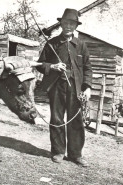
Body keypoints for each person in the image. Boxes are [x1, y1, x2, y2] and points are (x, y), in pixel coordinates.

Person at [36, 8, 92, 167]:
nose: (68, 26)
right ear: (61, 24)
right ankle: (58, 152)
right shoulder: (51, 43)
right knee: (57, 119)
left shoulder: (81, 45)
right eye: (66, 22)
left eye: (72, 23)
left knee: (76, 122)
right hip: (56, 87)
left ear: (76, 26)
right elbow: (40, 65)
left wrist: (87, 87)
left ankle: (76, 155)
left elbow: (88, 68)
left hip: (76, 88)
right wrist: (52, 66)